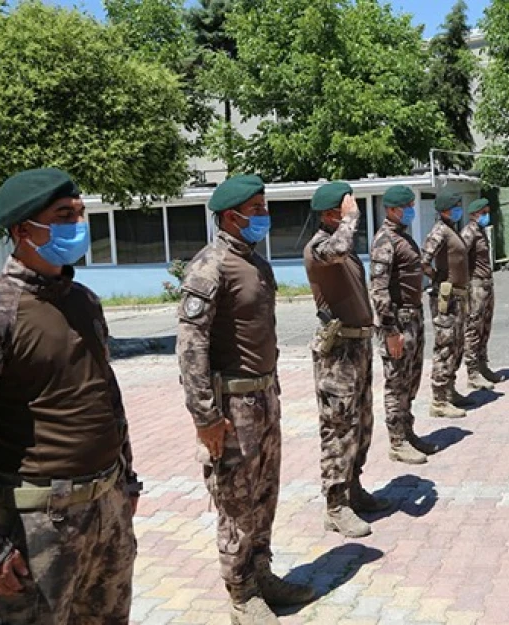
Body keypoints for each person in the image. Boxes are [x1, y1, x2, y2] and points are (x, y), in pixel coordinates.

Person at [0, 168, 141, 624]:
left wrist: (127, 478)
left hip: (107, 506)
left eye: (79, 212)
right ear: (22, 230)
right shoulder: (3, 310)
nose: (78, 224)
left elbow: (106, 395)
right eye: (63, 215)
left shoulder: (83, 300)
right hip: (40, 522)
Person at [177, 174, 313, 625]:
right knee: (236, 501)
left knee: (264, 494)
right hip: (231, 409)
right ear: (230, 216)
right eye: (255, 209)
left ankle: (261, 573)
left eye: (264, 206)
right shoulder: (209, 266)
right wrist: (205, 417)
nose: (263, 215)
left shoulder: (256, 263)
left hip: (263, 397)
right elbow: (191, 348)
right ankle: (241, 594)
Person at [303, 182, 391, 539]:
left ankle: (354, 488)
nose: (352, 211)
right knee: (338, 428)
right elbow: (338, 247)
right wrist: (350, 220)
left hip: (358, 346)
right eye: (345, 207)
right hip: (337, 353)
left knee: (361, 423)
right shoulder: (320, 247)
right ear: (329, 214)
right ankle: (336, 506)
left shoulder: (344, 247)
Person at [369, 186, 440, 465]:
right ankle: (397, 442)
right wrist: (390, 332)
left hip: (413, 317)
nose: (411, 210)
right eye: (407, 206)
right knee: (396, 382)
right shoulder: (385, 241)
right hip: (398, 321)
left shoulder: (403, 237)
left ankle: (408, 432)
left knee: (410, 380)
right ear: (391, 209)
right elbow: (378, 290)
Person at [421, 191, 474, 418]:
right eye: (454, 207)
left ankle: (450, 390)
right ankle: (439, 400)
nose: (458, 210)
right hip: (446, 297)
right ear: (444, 211)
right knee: (445, 346)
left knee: (456, 344)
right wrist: (437, 278)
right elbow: (423, 260)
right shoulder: (439, 231)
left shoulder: (451, 229)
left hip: (458, 296)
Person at [460, 198, 503, 390]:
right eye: (484, 212)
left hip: (486, 285)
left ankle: (483, 365)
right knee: (473, 328)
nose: (487, 215)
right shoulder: (469, 232)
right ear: (474, 214)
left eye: (487, 211)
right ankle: (473, 372)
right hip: (475, 286)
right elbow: (459, 257)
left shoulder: (481, 231)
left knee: (485, 327)